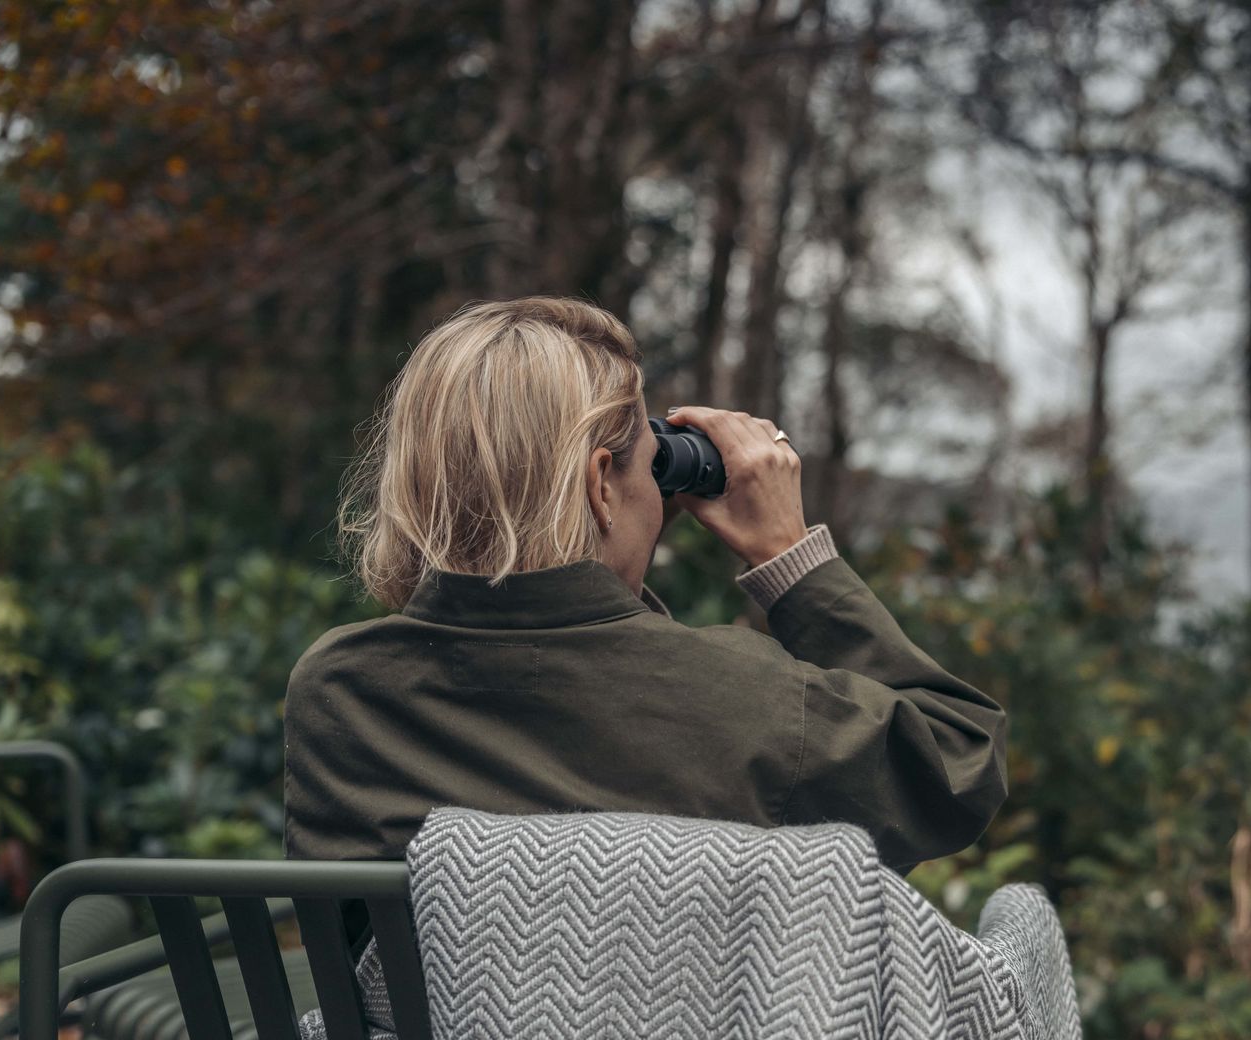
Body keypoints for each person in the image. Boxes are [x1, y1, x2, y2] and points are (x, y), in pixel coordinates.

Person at [282, 296, 1009, 888]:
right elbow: (958, 760)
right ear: (601, 484)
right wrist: (792, 558)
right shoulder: (750, 706)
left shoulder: (339, 693)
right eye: (650, 470)